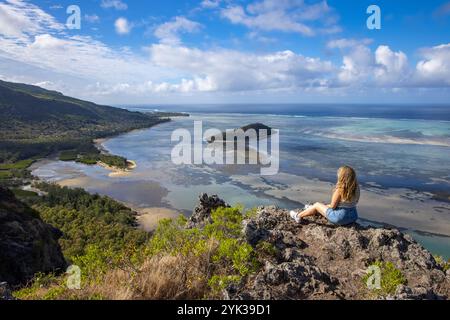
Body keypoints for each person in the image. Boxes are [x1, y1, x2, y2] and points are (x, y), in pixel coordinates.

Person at [290, 166, 360, 226]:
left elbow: (332, 206)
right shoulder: (356, 188)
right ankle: (312, 208)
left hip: (340, 218)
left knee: (317, 205)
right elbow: (354, 202)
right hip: (353, 216)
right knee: (320, 207)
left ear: (342, 177)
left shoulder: (340, 189)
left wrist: (321, 206)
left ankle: (298, 216)